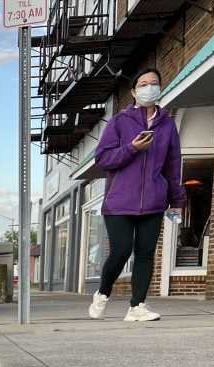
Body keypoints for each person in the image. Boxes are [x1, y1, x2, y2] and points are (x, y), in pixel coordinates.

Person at [89, 68, 184, 323]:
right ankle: (102, 293)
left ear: (160, 88)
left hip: (154, 201)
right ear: (134, 91)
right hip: (119, 201)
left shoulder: (167, 125)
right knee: (121, 251)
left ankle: (137, 306)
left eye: (154, 83)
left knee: (145, 253)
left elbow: (173, 167)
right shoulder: (119, 121)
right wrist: (131, 148)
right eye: (143, 84)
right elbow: (103, 159)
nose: (149, 88)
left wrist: (177, 202)